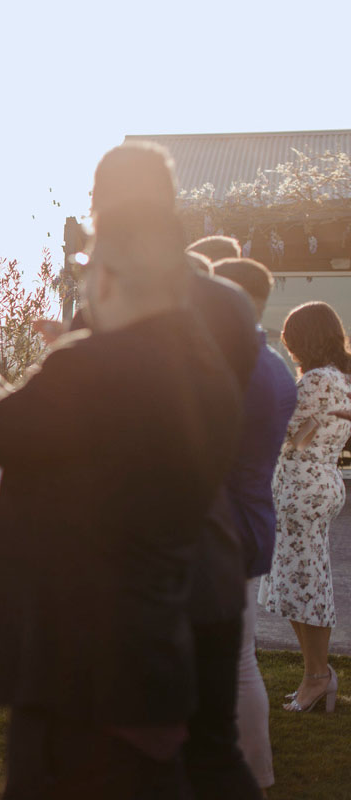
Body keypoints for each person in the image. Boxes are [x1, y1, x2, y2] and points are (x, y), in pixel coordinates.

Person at [0, 203, 243, 797]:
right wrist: (34, 386)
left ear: (107, 278)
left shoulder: (88, 368)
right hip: (152, 646)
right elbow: (79, 441)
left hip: (75, 657)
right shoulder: (203, 369)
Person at [92, 142, 261, 800]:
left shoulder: (111, 302)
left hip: (132, 573)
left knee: (126, 759)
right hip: (211, 556)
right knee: (215, 753)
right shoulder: (231, 304)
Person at [210, 257, 298, 789]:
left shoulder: (239, 370)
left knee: (236, 661)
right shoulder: (272, 365)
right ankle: (254, 774)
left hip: (228, 527)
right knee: (239, 657)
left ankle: (248, 774)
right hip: (250, 519)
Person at [258, 300, 351, 714]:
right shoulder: (340, 377)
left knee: (306, 584)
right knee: (300, 582)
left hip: (303, 488)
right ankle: (315, 675)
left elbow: (283, 435)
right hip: (316, 483)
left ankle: (318, 677)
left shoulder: (316, 380)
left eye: (291, 339)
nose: (288, 346)